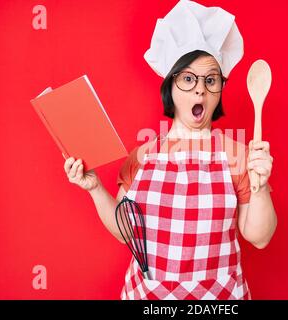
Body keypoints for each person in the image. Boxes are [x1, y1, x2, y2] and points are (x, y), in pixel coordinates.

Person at [63, 0, 276, 300]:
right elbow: (127, 232)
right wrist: (95, 188)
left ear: (219, 90)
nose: (200, 89)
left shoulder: (239, 156)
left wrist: (261, 186)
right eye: (188, 79)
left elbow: (260, 237)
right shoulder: (142, 157)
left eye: (211, 80)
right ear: (170, 87)